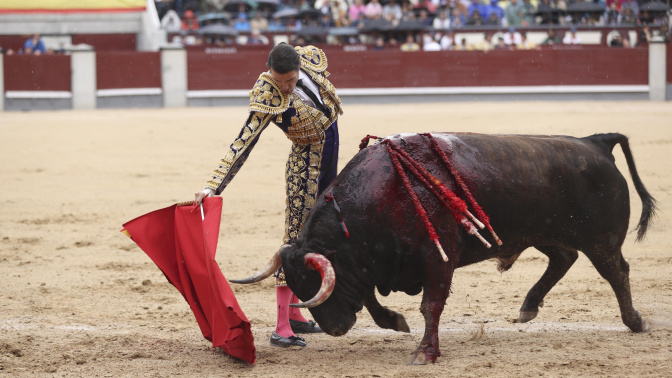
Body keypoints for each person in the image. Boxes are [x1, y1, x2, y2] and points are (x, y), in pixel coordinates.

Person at [194, 43, 343, 348]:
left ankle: (298, 315)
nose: (286, 87)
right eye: (281, 81)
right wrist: (213, 185)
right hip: (304, 167)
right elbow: (243, 141)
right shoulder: (267, 94)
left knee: (318, 233)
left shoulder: (309, 62)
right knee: (294, 241)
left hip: (329, 156)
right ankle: (282, 327)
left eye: (290, 80)